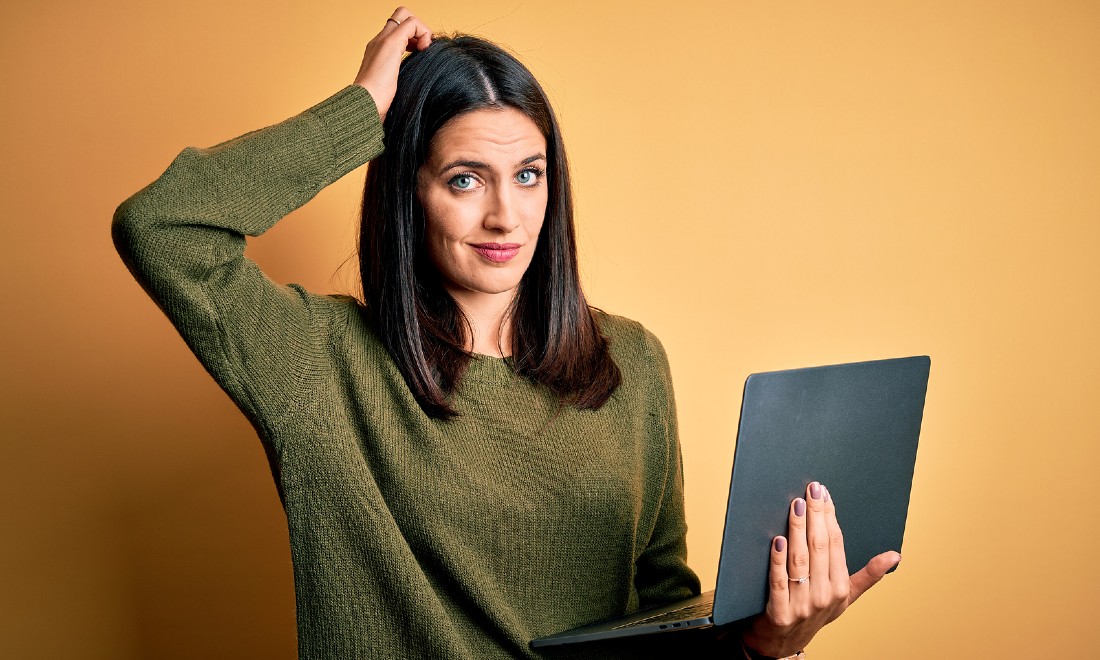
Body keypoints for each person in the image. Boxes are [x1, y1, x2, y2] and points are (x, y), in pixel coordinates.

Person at [112, 7, 900, 659]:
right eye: (465, 179)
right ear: (405, 190)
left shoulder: (631, 361)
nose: (506, 216)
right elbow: (163, 227)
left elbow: (667, 613)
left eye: (528, 174)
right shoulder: (319, 361)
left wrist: (770, 641)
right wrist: (360, 110)